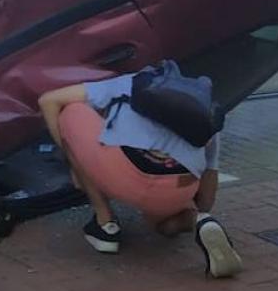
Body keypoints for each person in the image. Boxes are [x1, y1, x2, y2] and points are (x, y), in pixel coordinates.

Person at [38, 72, 243, 278]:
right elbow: (207, 195)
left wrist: (74, 162)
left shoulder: (133, 80)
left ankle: (105, 225)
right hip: (175, 189)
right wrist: (198, 208)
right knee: (165, 225)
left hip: (121, 175)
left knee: (69, 110)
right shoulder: (206, 113)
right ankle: (199, 222)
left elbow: (48, 101)